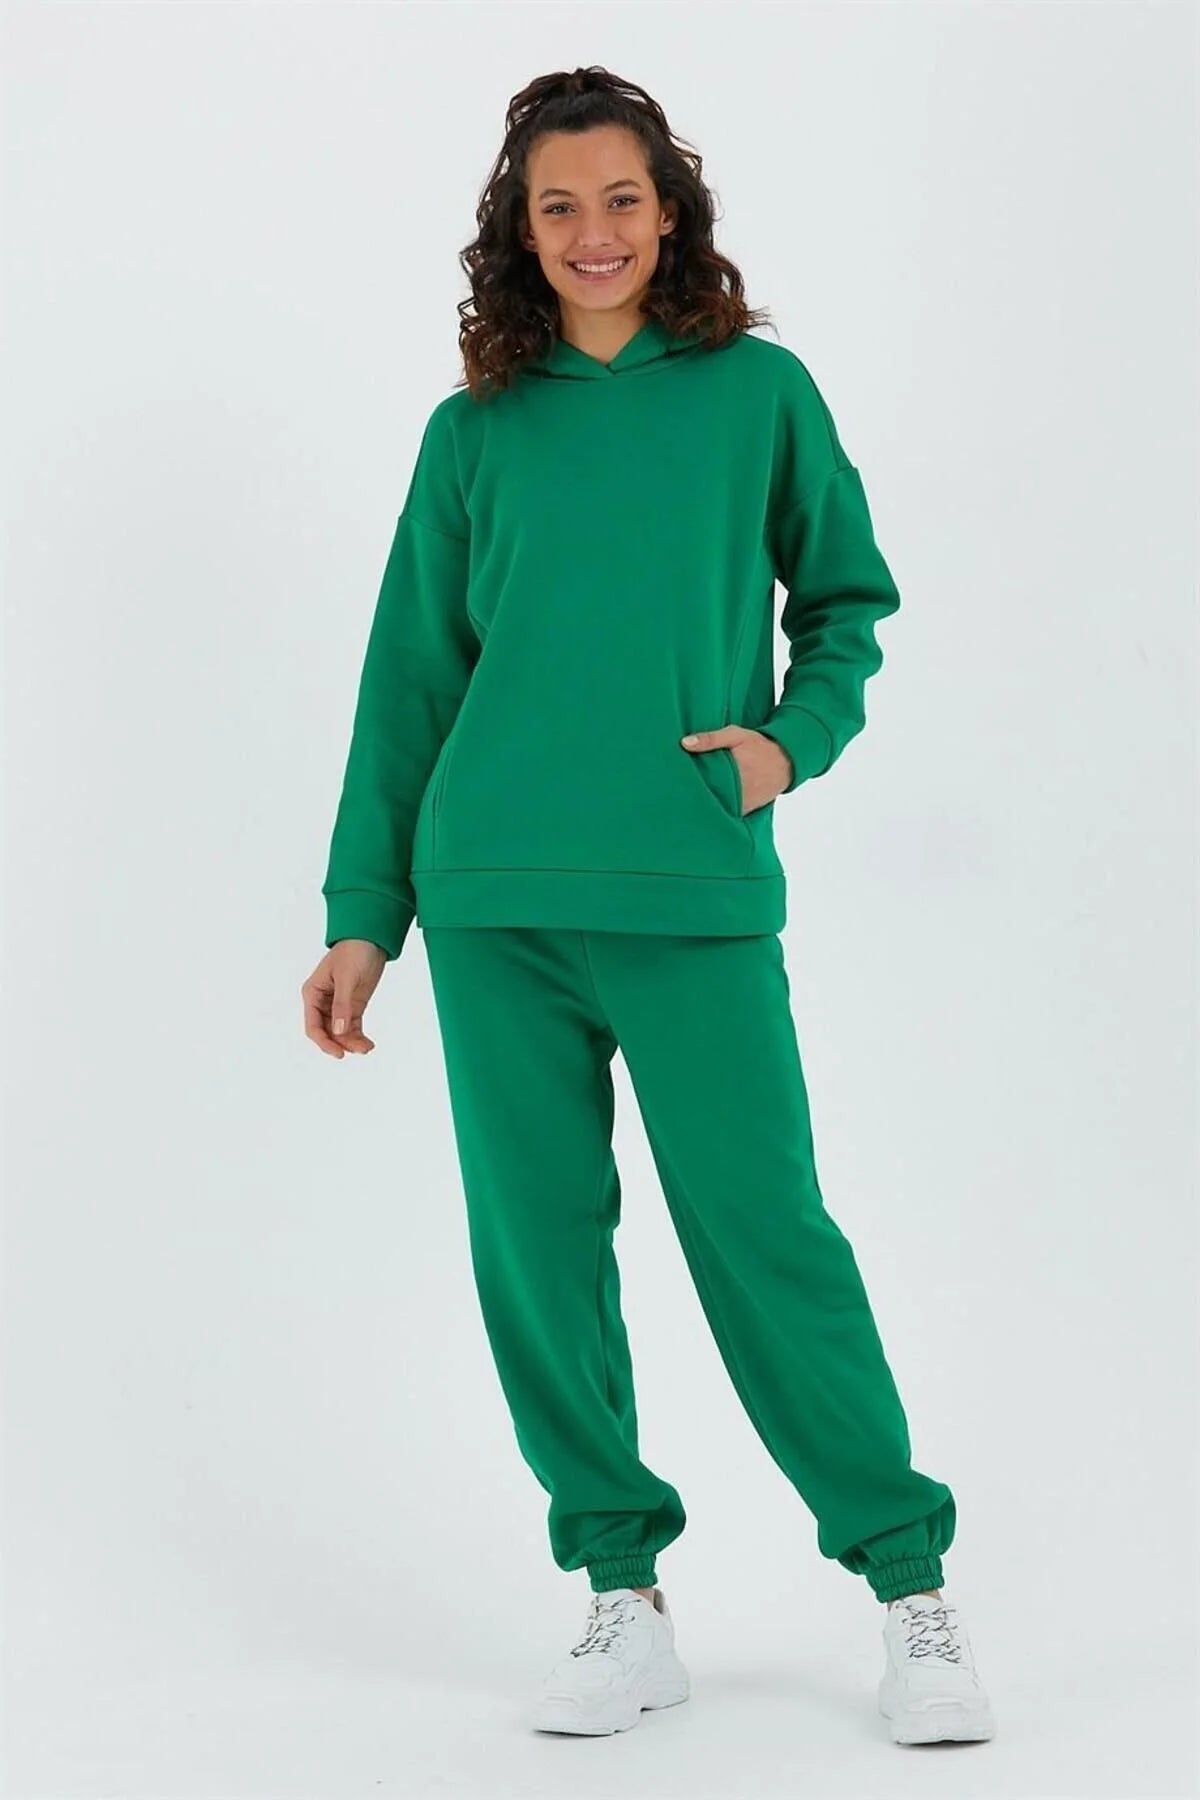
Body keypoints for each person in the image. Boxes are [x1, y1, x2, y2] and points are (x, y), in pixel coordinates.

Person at [301, 64, 996, 1747]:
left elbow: (847, 602)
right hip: (493, 902)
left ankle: (910, 1587)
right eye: (560, 207)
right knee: (539, 1254)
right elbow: (411, 681)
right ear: (518, 231)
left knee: (767, 1237)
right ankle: (623, 1594)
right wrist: (363, 911)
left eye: (621, 198)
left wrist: (785, 747)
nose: (594, 232)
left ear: (669, 211)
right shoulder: (474, 430)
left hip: (690, 888)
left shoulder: (757, 393)